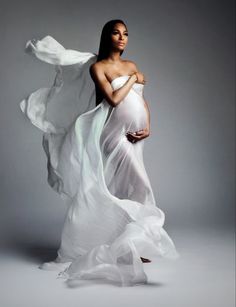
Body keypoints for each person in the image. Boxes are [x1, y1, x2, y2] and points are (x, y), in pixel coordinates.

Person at [19, 19, 179, 287]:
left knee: (124, 188)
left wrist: (148, 125)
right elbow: (114, 100)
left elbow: (140, 99)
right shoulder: (99, 68)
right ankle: (127, 246)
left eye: (126, 33)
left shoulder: (131, 66)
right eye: (116, 33)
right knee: (139, 186)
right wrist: (132, 79)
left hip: (136, 137)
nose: (122, 37)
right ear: (107, 37)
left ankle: (129, 248)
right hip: (114, 134)